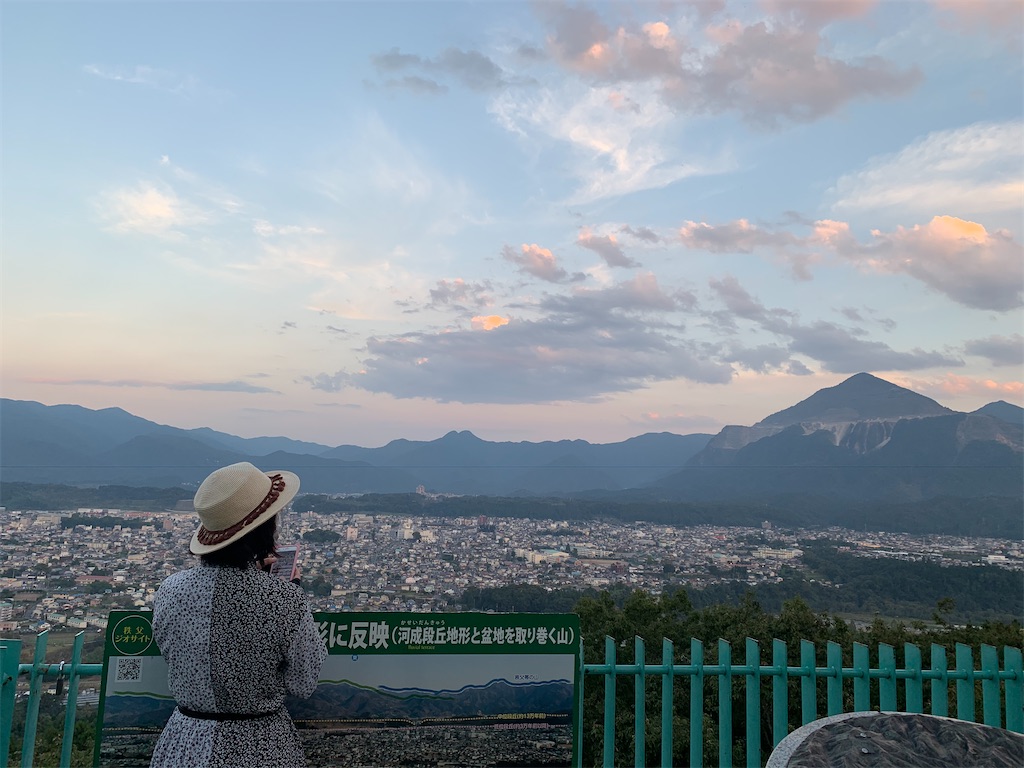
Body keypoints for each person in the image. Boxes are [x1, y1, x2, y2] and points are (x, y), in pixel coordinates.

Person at [150, 462, 327, 768]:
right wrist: (289, 589)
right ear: (264, 529)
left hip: (185, 743)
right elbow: (303, 682)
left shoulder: (170, 590)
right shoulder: (284, 598)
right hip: (261, 747)